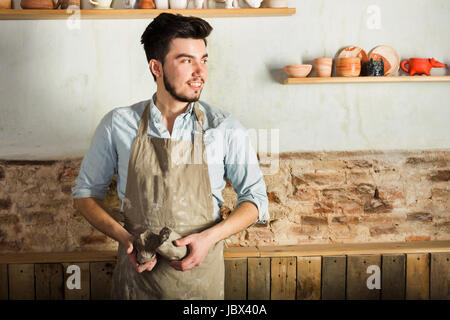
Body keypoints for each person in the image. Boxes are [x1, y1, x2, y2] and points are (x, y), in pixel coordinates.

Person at [72, 13, 269, 300]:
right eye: (186, 60)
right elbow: (85, 195)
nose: (200, 72)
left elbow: (255, 199)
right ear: (156, 67)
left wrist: (208, 238)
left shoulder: (224, 127)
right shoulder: (117, 124)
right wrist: (126, 240)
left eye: (204, 60)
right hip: (137, 283)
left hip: (200, 283)